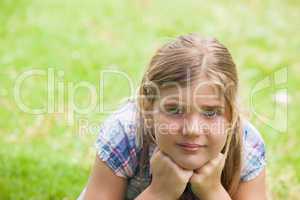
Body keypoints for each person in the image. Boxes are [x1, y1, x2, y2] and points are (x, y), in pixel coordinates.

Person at [79, 33, 267, 200]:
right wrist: (160, 192)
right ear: (147, 108)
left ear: (232, 114)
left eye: (210, 112)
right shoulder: (125, 134)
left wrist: (213, 191)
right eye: (175, 110)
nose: (192, 130)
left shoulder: (246, 145)